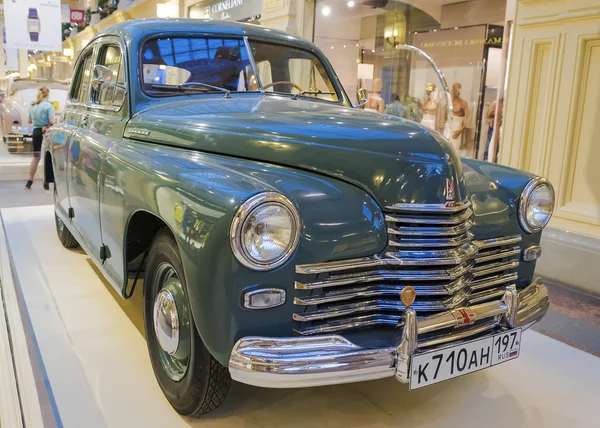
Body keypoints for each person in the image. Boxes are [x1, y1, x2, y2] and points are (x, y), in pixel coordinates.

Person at [25, 86, 56, 190]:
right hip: (47, 132)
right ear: (47, 94)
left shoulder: (33, 105)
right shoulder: (48, 105)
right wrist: (57, 121)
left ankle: (29, 182)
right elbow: (52, 121)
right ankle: (47, 181)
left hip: (36, 132)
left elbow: (29, 121)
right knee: (49, 157)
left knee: (36, 157)